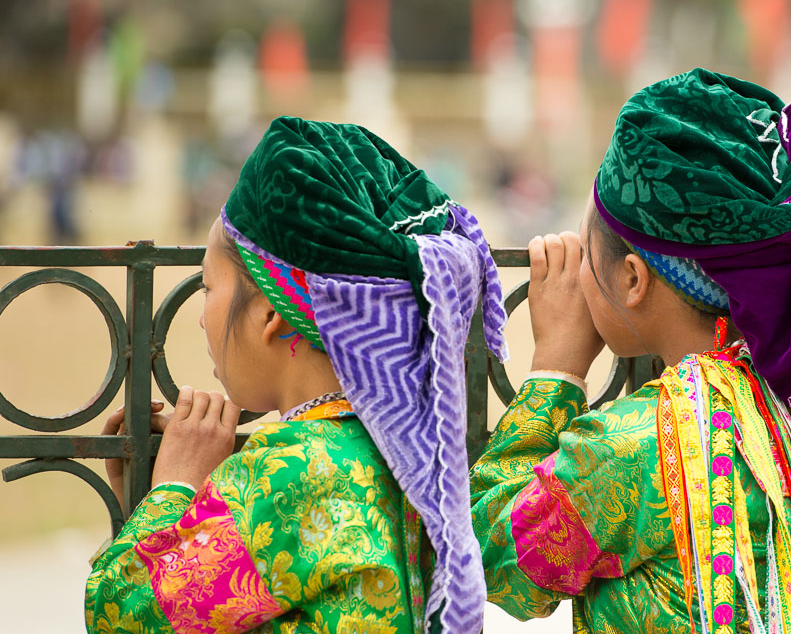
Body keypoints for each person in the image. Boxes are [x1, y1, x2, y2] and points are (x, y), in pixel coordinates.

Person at [470, 69, 791, 633]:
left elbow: (490, 558)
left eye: (586, 254)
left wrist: (554, 375)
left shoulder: (627, 448)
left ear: (633, 279)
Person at [86, 117, 508, 633]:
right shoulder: (416, 457)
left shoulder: (288, 473)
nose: (201, 315)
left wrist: (172, 489)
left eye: (208, 289)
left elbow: (121, 614)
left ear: (271, 315)